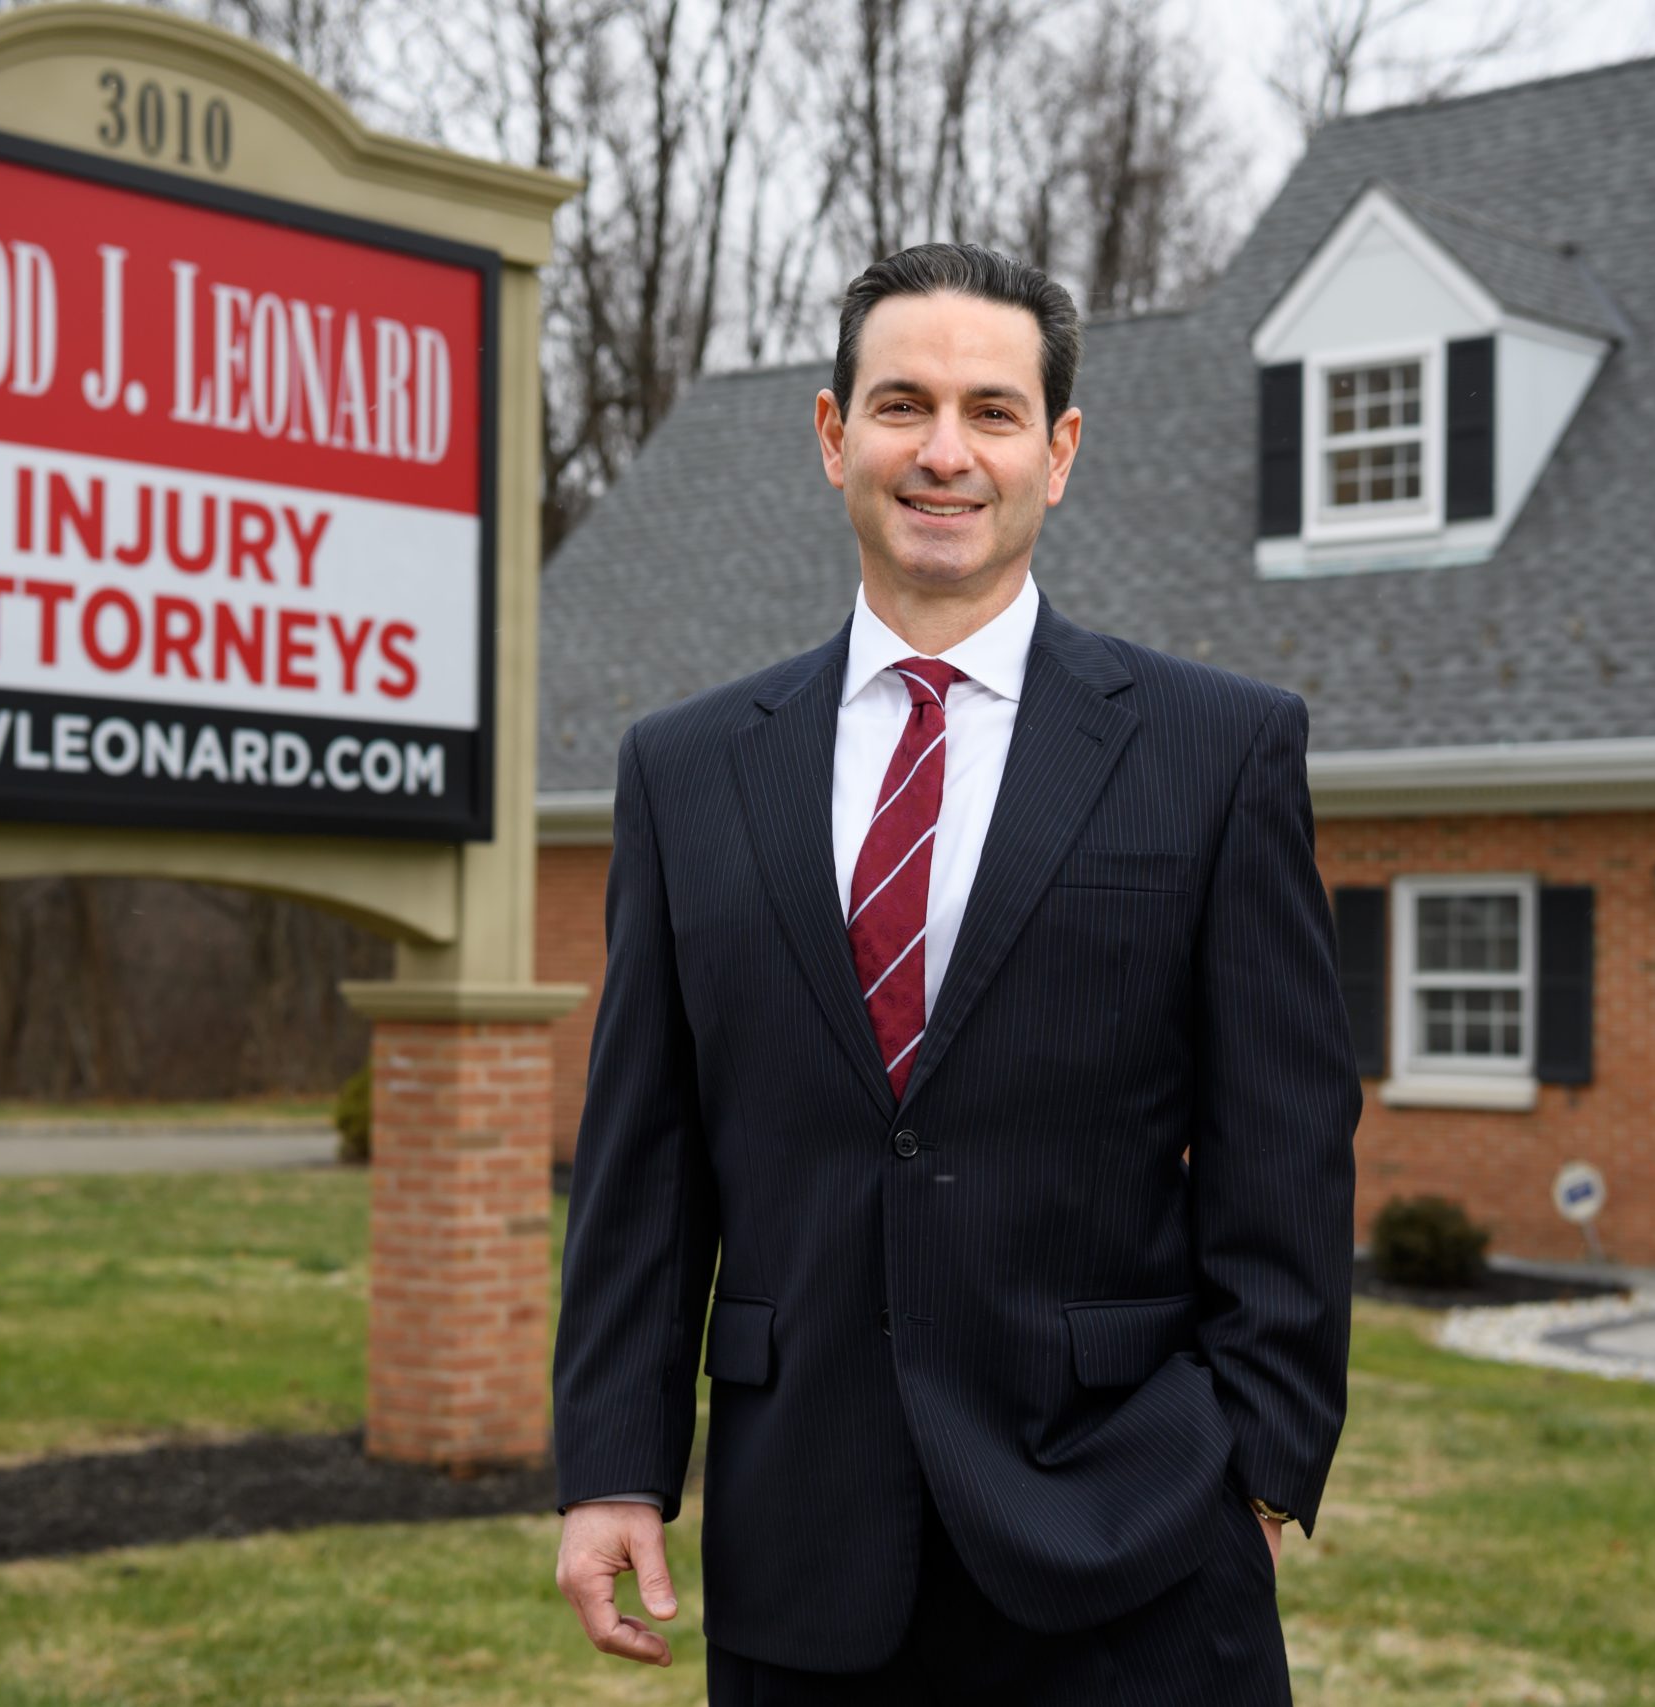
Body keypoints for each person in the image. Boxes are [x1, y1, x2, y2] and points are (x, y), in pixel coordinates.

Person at [550, 241, 1362, 1705]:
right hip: (805, 1545)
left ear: (1057, 453)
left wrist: (1260, 1452)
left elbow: (1286, 1141)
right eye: (901, 404)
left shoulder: (1214, 750)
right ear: (830, 434)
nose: (944, 452)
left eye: (992, 412)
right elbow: (644, 1159)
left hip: (1137, 1535)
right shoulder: (686, 771)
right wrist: (614, 1461)